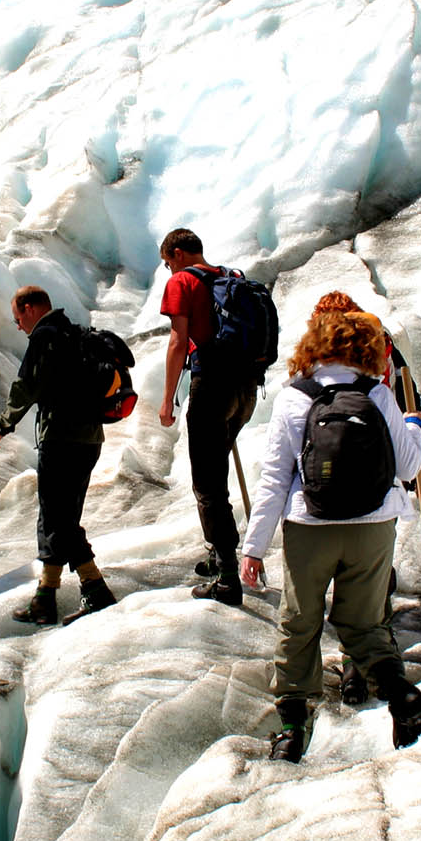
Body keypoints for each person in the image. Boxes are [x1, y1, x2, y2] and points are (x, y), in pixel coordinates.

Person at [238, 306, 421, 763]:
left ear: (315, 346)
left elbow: (275, 480)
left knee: (300, 622)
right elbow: (409, 467)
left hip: (311, 526)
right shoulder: (379, 394)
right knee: (363, 623)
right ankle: (399, 692)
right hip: (373, 526)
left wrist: (254, 548)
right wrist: (415, 427)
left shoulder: (294, 397)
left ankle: (291, 728)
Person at [309, 291, 421, 706]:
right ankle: (364, 657)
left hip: (330, 482)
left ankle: (355, 665)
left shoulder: (330, 354)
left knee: (350, 574)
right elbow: (410, 404)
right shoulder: (384, 348)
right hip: (381, 475)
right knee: (371, 571)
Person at [0, 285, 120, 626]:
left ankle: (95, 588)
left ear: (31, 309)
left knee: (58, 520)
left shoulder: (46, 336)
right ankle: (45, 597)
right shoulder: (75, 333)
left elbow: (26, 386)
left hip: (62, 438)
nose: (18, 326)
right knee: (59, 518)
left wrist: (2, 427)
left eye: (18, 318)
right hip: (90, 438)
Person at [158, 228, 257, 605]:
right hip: (245, 390)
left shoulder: (183, 281)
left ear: (179, 254)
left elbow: (178, 341)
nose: (169, 272)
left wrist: (168, 399)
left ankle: (228, 578)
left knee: (207, 484)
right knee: (217, 475)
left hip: (212, 386)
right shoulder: (229, 277)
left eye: (168, 263)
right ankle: (220, 554)